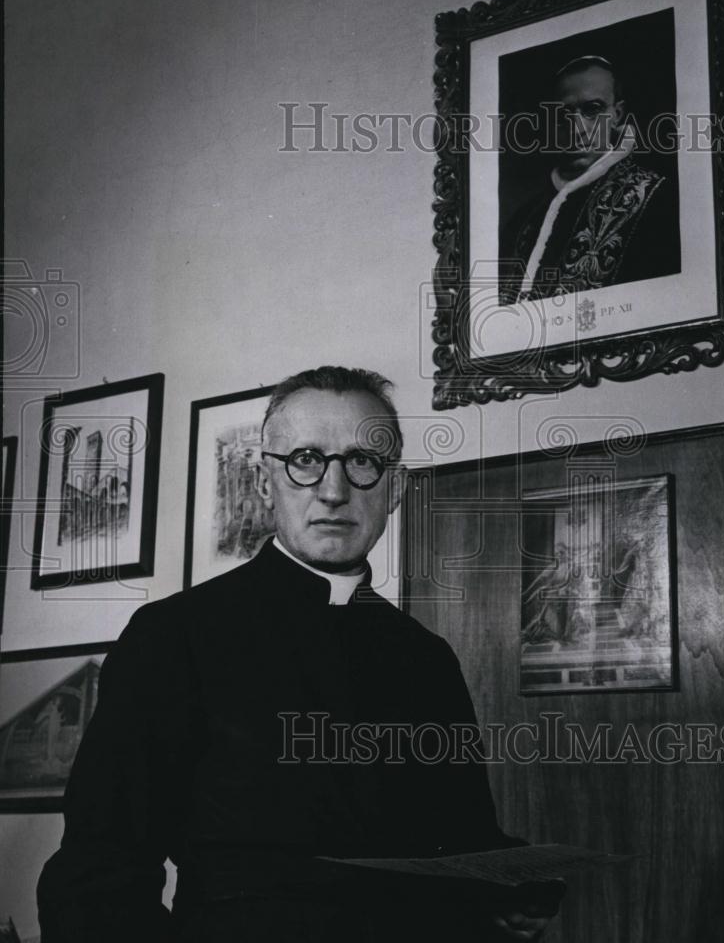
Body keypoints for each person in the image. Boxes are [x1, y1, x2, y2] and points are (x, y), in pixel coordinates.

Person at [37, 366, 561, 942]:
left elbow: (463, 841)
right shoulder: (173, 635)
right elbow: (97, 876)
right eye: (306, 459)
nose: (333, 491)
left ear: (395, 488)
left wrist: (507, 893)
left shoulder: (426, 657)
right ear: (265, 483)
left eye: (362, 462)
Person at [499, 55, 680, 305]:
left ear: (617, 114)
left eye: (592, 109)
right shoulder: (522, 220)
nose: (577, 129)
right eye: (563, 114)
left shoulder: (658, 199)